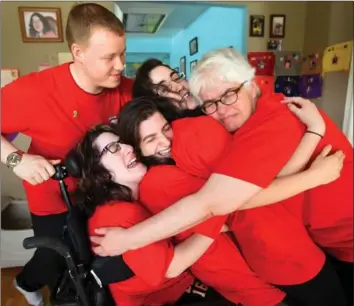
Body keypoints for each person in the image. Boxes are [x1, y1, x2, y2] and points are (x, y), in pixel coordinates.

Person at [92, 48, 353, 303]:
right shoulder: (195, 144)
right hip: (302, 251)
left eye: (229, 94)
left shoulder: (263, 121)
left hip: (329, 242)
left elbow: (233, 196)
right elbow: (231, 197)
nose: (222, 108)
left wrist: (315, 135)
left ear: (251, 85)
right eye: (211, 103)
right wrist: (315, 146)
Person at [1, 3, 132, 305]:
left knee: (91, 259)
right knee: (56, 259)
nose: (121, 65)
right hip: (52, 196)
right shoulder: (35, 92)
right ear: (78, 52)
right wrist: (16, 159)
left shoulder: (126, 89)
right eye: (109, 57)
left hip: (101, 193)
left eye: (123, 53)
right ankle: (25, 283)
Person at [73, 124, 224, 306]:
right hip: (166, 297)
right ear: (100, 173)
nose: (129, 148)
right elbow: (173, 266)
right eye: (114, 148)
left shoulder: (136, 196)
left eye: (123, 143)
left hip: (176, 285)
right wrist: (217, 218)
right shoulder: (117, 213)